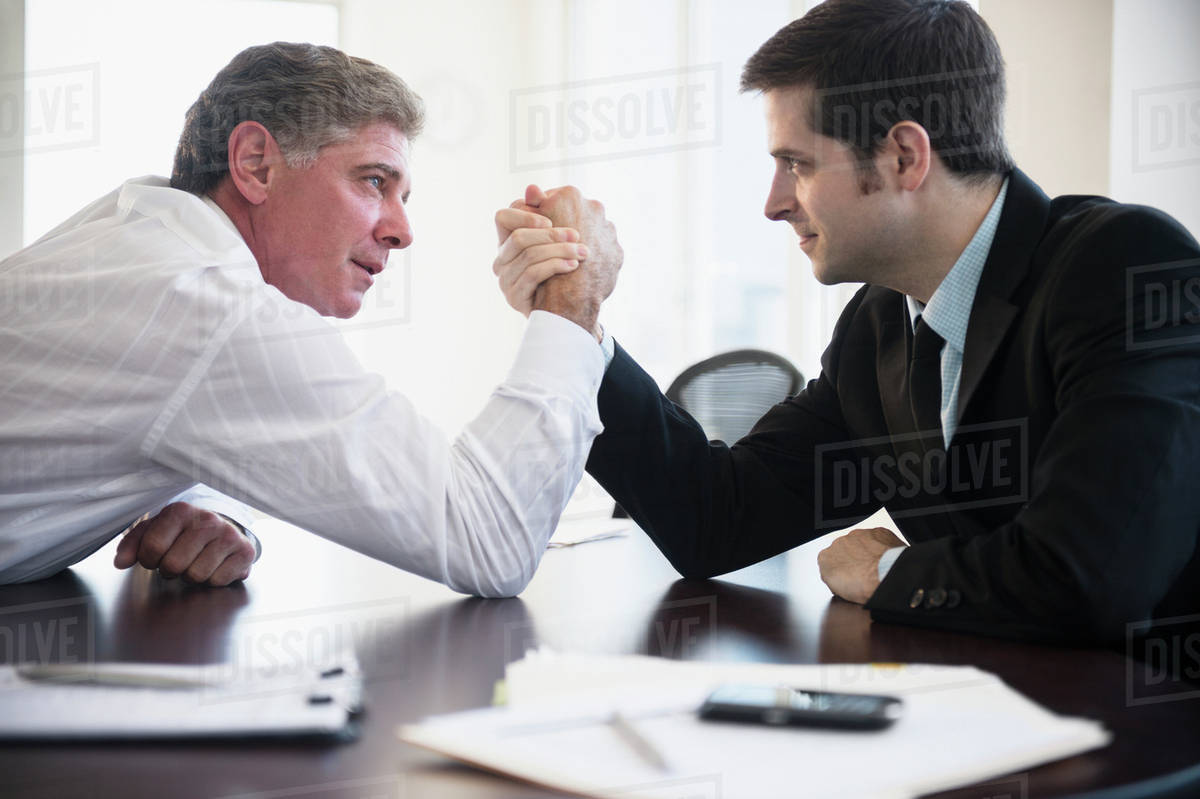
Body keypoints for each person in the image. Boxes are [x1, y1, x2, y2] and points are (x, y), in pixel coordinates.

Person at [494, 0, 1200, 644]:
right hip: (990, 730)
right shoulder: (881, 324)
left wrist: (893, 570)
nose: (773, 204)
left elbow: (1090, 574)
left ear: (903, 156)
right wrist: (577, 326)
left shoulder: (1125, 268)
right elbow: (718, 517)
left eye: (796, 164)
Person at [0, 42, 620, 594]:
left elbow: (150, 397)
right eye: (374, 181)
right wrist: (571, 305)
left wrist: (208, 500)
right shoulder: (208, 301)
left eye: (403, 196)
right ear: (255, 164)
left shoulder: (145, 231)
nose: (402, 231)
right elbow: (486, 541)